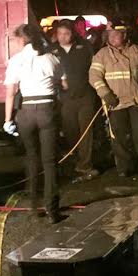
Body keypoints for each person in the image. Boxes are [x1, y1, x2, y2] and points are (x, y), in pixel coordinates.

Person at [4, 23, 65, 221]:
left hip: (26, 112)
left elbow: (10, 93)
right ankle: (52, 210)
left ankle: (33, 207)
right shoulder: (51, 58)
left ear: (22, 40)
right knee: (49, 161)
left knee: (31, 158)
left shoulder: (16, 60)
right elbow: (64, 83)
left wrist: (7, 120)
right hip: (47, 110)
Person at [89, 17, 138, 177]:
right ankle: (124, 168)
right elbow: (94, 76)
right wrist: (106, 94)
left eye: (116, 34)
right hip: (116, 103)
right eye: (110, 34)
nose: (112, 37)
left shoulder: (137, 51)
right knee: (119, 137)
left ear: (125, 34)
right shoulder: (102, 55)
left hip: (137, 101)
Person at [51, 20, 99, 183]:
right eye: (60, 34)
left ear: (73, 33)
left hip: (86, 95)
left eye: (66, 33)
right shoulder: (52, 50)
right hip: (65, 99)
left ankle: (85, 164)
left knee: (86, 131)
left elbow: (95, 67)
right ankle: (74, 158)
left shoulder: (85, 47)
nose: (63, 37)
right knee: (70, 131)